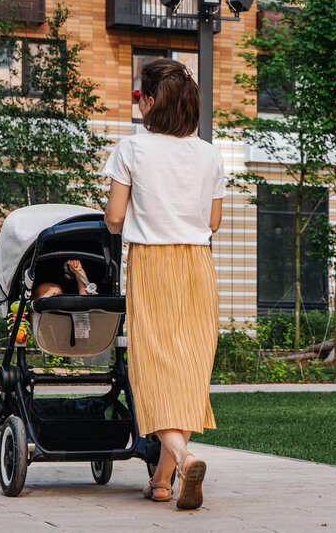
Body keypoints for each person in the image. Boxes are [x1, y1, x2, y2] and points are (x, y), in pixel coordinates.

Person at [103, 58, 224, 510]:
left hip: (152, 264)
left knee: (153, 371)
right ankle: (160, 481)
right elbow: (213, 221)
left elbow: (115, 218)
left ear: (151, 102)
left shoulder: (132, 149)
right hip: (198, 264)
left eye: (140, 97)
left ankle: (185, 456)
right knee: (189, 370)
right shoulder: (210, 153)